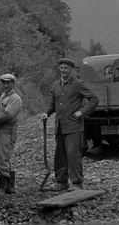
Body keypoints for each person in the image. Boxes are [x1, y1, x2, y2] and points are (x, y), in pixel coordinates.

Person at [42, 58, 99, 190]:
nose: (63, 70)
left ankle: (77, 183)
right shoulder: (56, 85)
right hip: (60, 126)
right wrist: (47, 113)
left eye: (66, 68)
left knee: (73, 154)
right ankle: (61, 182)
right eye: (61, 68)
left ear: (71, 70)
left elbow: (94, 99)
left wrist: (82, 112)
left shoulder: (78, 84)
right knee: (60, 154)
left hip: (74, 126)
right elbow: (53, 103)